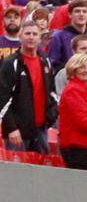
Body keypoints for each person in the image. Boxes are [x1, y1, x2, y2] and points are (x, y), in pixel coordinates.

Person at [0, 21, 56, 154]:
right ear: (20, 37)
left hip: (41, 129)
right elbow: (2, 99)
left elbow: (52, 92)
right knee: (17, 173)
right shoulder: (10, 63)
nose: (31, 37)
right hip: (18, 132)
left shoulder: (45, 61)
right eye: (27, 33)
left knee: (41, 173)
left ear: (39, 38)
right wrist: (11, 128)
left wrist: (51, 116)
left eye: (35, 34)